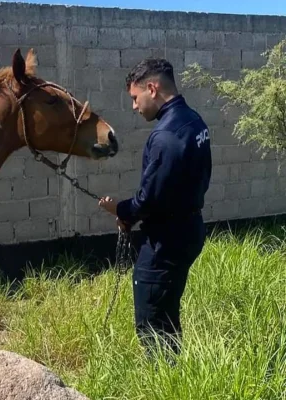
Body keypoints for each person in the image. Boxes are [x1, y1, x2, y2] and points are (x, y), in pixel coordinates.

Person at [98, 57, 212, 358]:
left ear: (152, 88)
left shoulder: (165, 137)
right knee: (167, 312)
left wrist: (121, 211)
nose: (135, 107)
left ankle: (162, 381)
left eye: (135, 98)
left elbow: (149, 200)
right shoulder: (194, 121)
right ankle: (176, 374)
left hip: (165, 241)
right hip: (190, 228)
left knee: (152, 323)